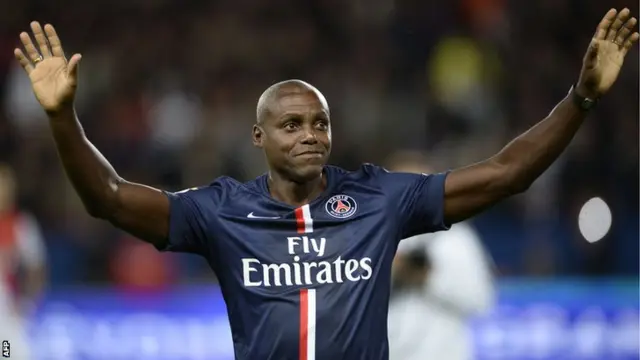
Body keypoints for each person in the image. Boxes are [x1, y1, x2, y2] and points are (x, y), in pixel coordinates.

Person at [12, 8, 638, 360]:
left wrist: (580, 98)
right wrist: (62, 117)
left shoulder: (379, 199)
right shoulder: (222, 211)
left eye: (320, 122)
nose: (310, 134)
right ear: (260, 138)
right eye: (291, 125)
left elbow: (506, 173)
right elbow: (110, 198)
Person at [384, 151, 495, 360]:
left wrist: (428, 278)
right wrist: (390, 272)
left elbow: (481, 300)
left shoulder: (456, 237)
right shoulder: (374, 235)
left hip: (441, 353)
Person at [0, 164, 47, 360]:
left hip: (6, 312)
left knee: (7, 353)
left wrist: (27, 302)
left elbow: (36, 269)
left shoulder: (21, 225)